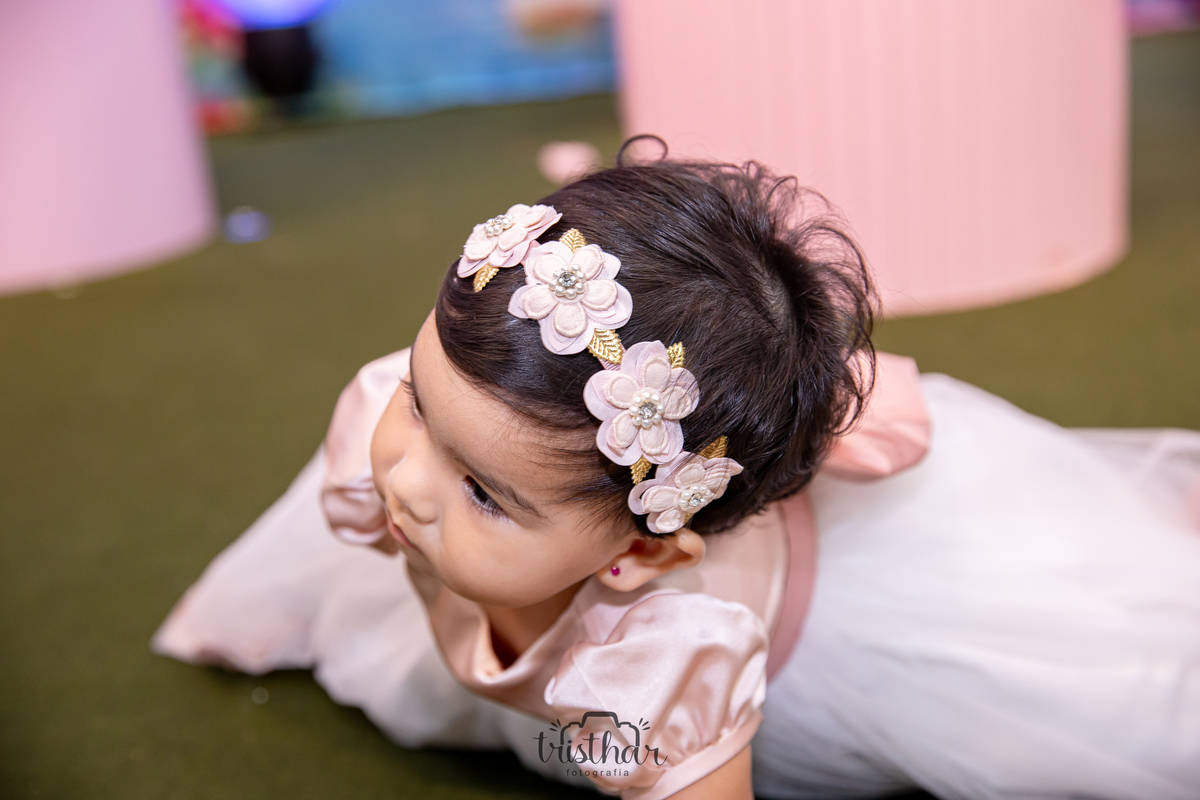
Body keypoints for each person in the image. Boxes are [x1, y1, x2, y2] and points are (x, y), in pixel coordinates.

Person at [153, 144, 1200, 800]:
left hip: (838, 624)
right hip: (588, 555)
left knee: (1136, 677)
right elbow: (405, 453)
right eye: (421, 403)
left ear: (642, 552)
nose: (407, 480)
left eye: (480, 493)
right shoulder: (433, 418)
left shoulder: (664, 658)